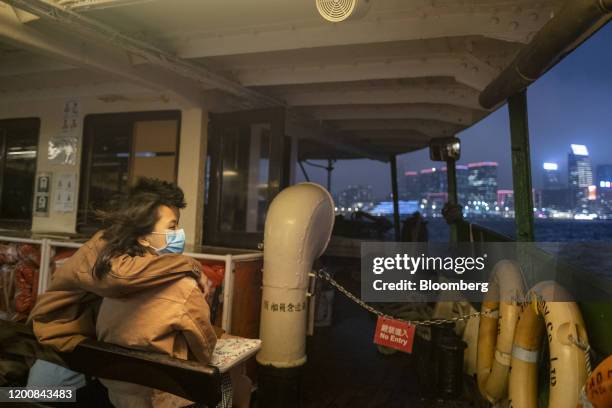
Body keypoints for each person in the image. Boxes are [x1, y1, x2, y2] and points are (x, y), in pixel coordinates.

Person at [27, 178, 218, 406]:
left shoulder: (131, 252)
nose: (179, 233)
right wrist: (190, 265)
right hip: (59, 357)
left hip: (88, 350)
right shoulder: (102, 247)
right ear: (142, 231)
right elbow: (118, 278)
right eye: (172, 226)